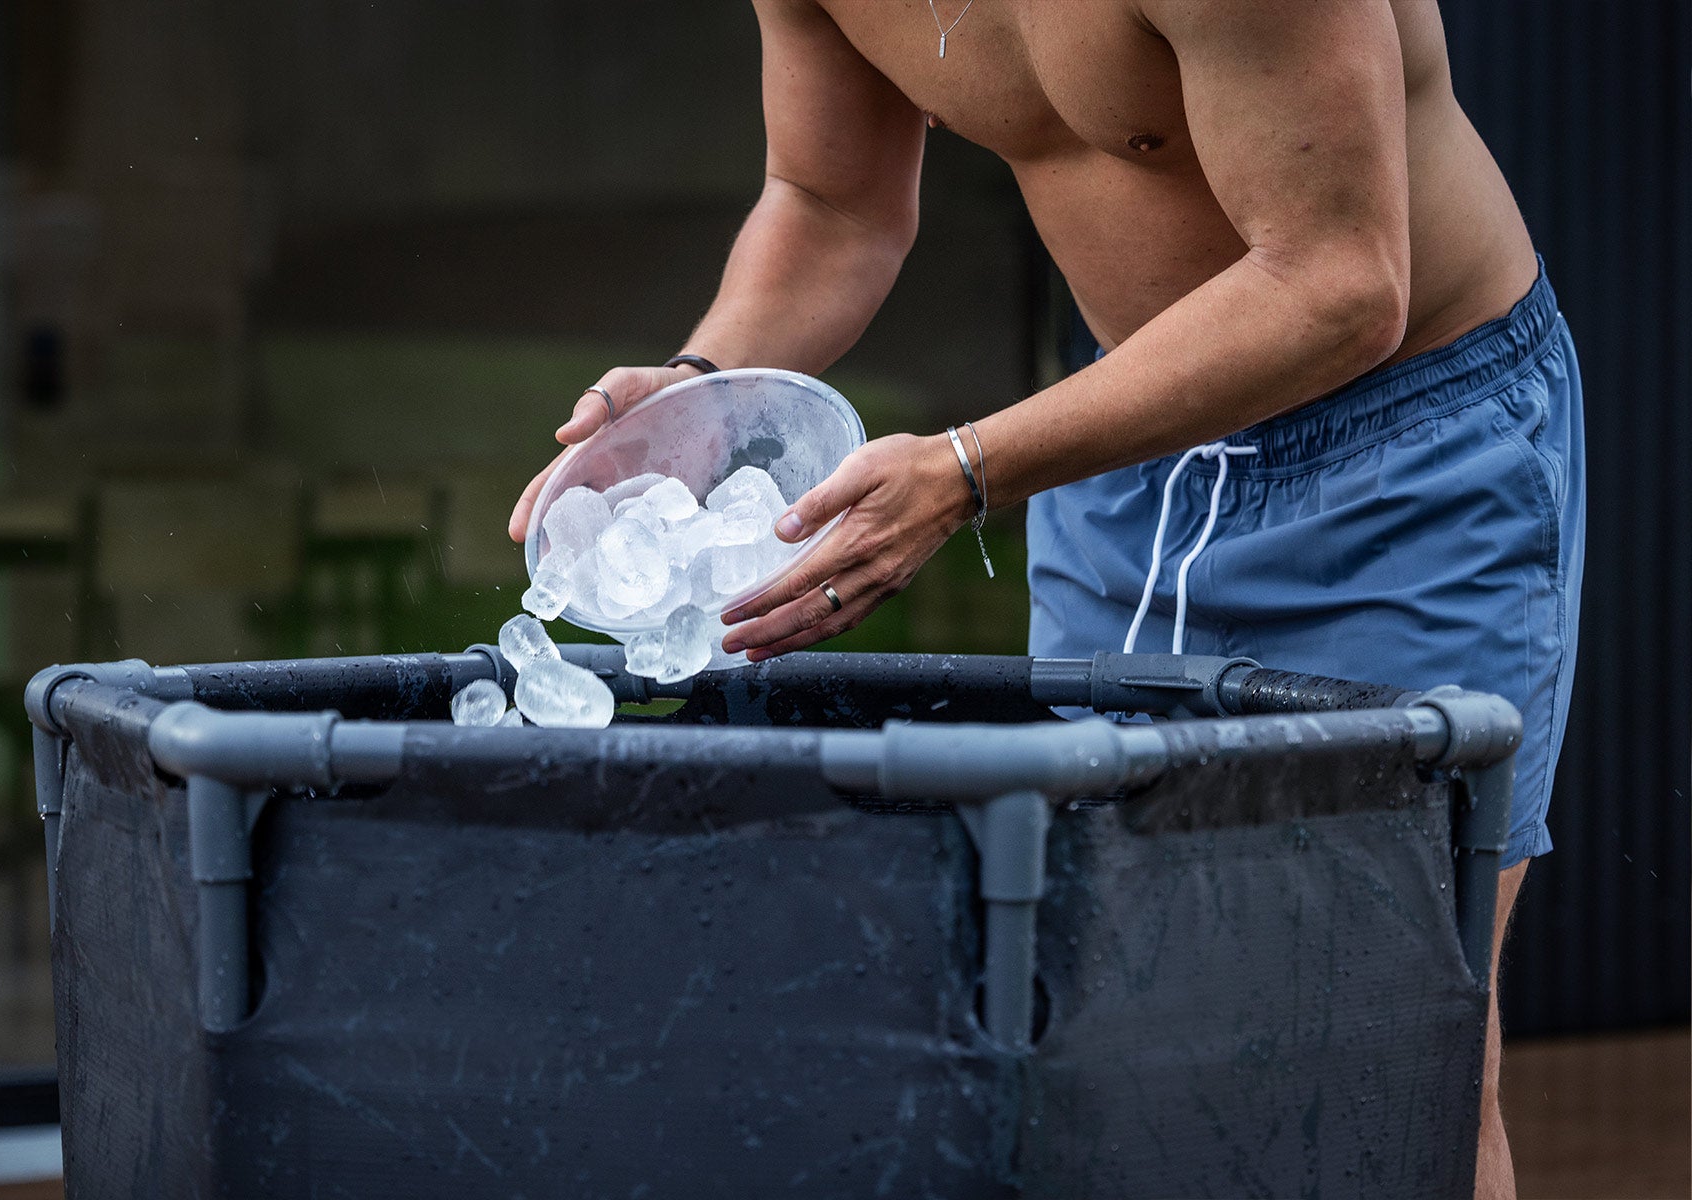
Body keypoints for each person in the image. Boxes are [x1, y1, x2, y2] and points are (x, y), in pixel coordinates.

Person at [508, 3, 1584, 1195]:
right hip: (1121, 454)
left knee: (1396, 1054)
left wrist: (968, 471)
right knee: (1115, 1023)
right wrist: (699, 394)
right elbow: (831, 205)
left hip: (1403, 456)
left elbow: (1339, 282)